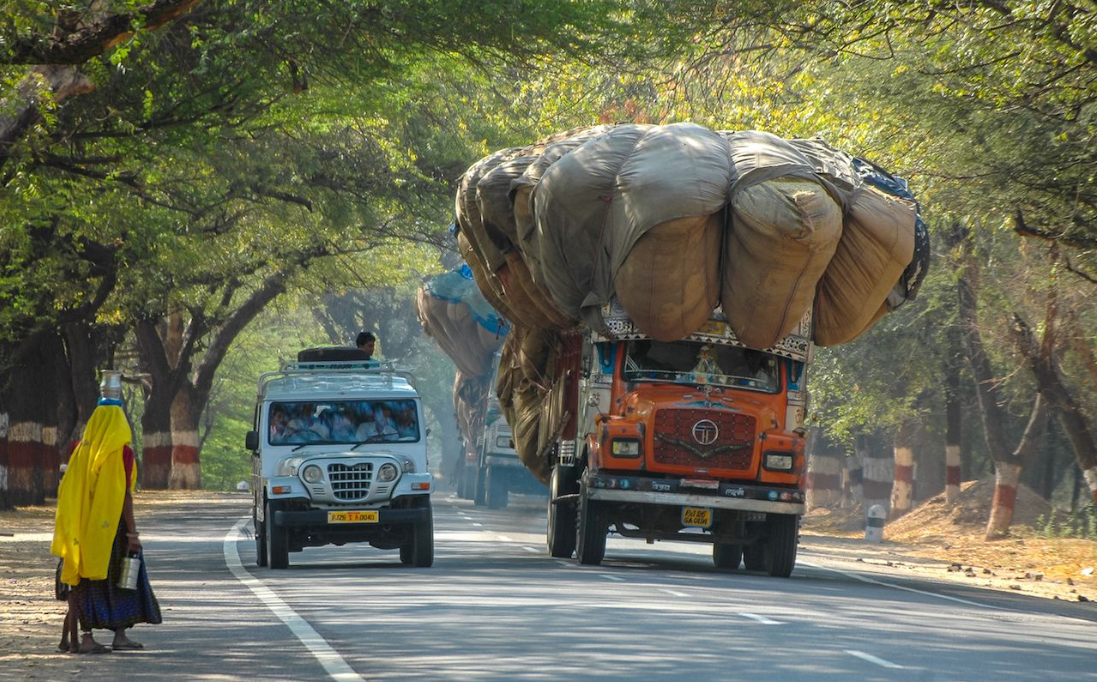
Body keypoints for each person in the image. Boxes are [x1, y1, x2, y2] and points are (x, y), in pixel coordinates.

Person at [51, 371, 162, 654]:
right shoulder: (122, 453)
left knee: (86, 581)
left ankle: (86, 636)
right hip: (112, 530)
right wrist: (132, 532)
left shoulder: (79, 450)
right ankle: (119, 635)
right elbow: (123, 495)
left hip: (80, 530)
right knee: (122, 581)